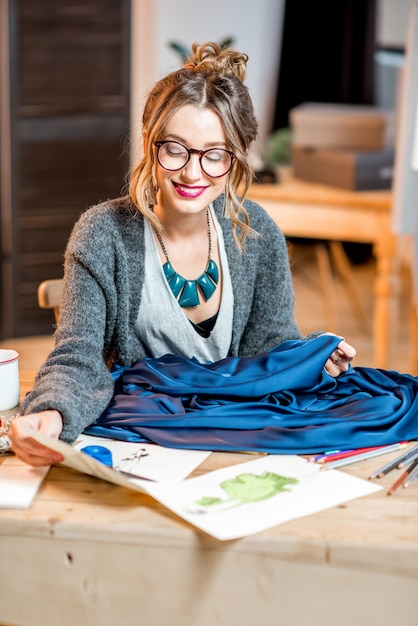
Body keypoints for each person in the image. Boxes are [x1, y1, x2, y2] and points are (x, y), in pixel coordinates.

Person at [8, 42, 355, 466]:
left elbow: (271, 347)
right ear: (150, 145)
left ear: (236, 159)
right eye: (176, 149)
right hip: (143, 442)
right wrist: (52, 411)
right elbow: (78, 354)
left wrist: (314, 358)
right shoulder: (102, 234)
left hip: (234, 436)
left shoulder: (258, 232)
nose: (193, 172)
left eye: (214, 155)